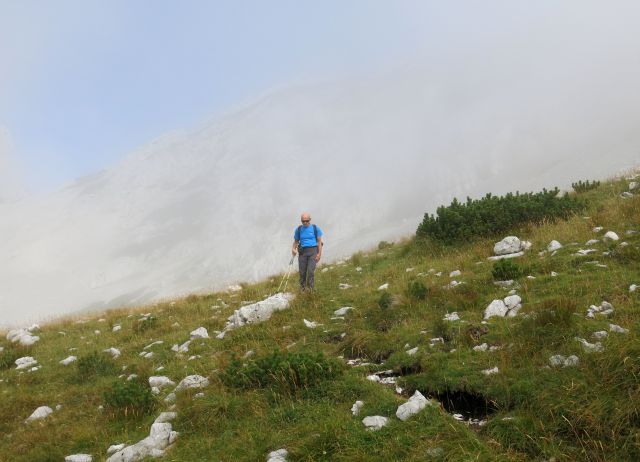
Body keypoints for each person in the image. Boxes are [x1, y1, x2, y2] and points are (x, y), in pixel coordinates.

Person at [292, 212, 323, 291]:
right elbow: (296, 241)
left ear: (310, 220)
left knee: (310, 271)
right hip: (302, 253)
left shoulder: (315, 228)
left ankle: (310, 290)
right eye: (303, 221)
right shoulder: (298, 229)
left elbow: (319, 242)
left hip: (313, 251)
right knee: (302, 272)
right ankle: (302, 289)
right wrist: (293, 249)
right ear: (301, 221)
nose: (305, 222)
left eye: (307, 220)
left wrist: (319, 254)